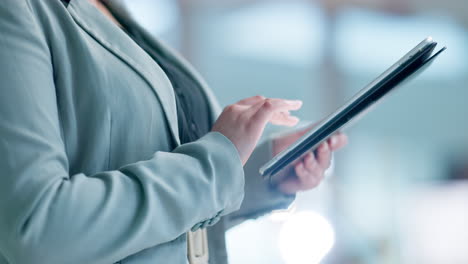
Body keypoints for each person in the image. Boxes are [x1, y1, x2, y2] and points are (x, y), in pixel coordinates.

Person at [0, 0, 347, 264]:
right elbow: (36, 228)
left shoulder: (115, 12)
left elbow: (164, 213)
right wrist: (216, 163)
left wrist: (260, 172)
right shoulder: (17, 11)